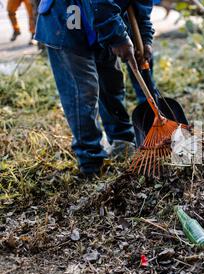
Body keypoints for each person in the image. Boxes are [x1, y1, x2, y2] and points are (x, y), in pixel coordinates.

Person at [35, 0, 154, 178]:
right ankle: (90, 162)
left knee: (112, 83)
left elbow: (142, 4)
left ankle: (122, 143)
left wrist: (144, 37)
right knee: (83, 92)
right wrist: (117, 36)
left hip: (100, 19)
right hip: (68, 16)